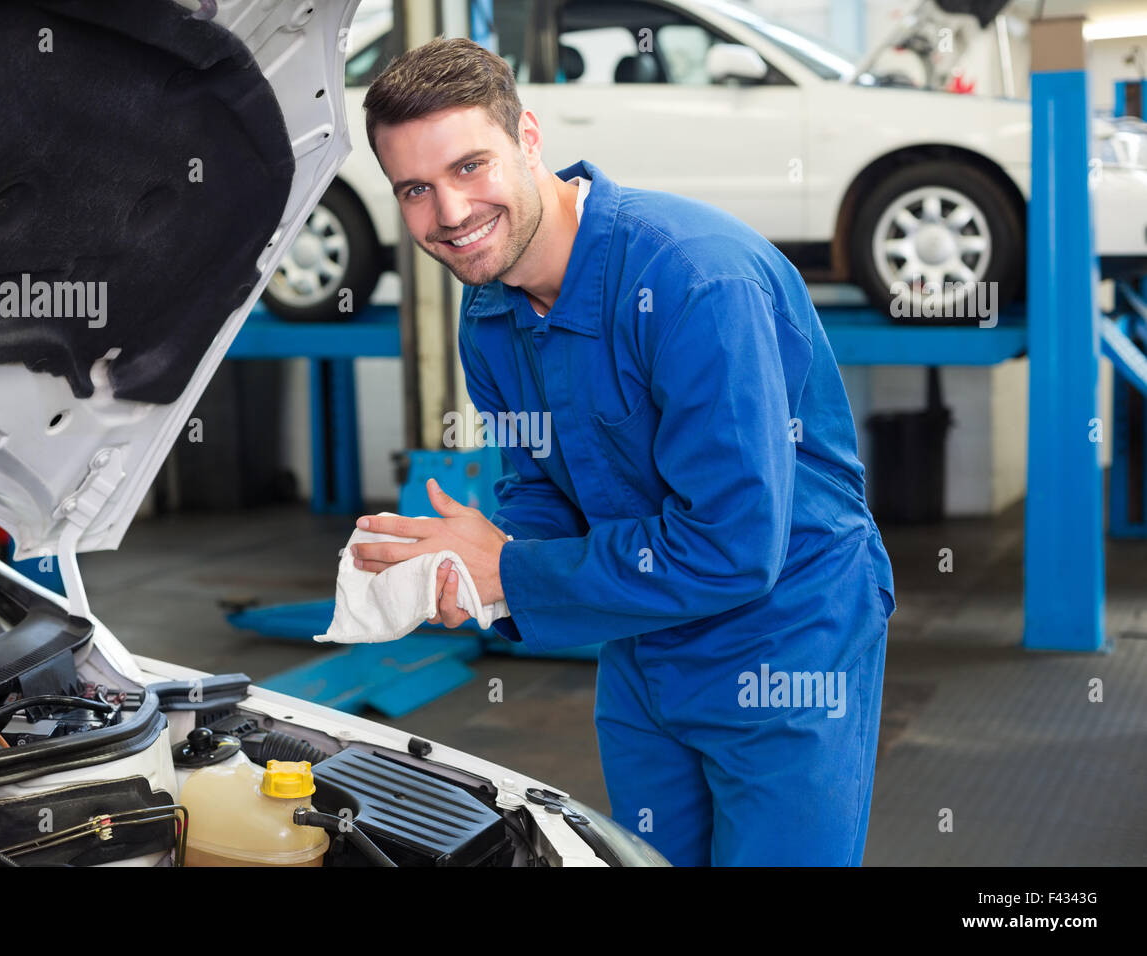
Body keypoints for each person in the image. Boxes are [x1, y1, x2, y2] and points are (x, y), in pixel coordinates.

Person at [349, 36, 895, 866]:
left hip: (787, 638)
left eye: (470, 168)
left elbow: (734, 546)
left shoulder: (694, 282)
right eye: (415, 190)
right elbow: (539, 489)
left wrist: (512, 572)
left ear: (529, 138)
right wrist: (478, 574)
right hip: (641, 645)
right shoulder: (490, 312)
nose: (450, 215)